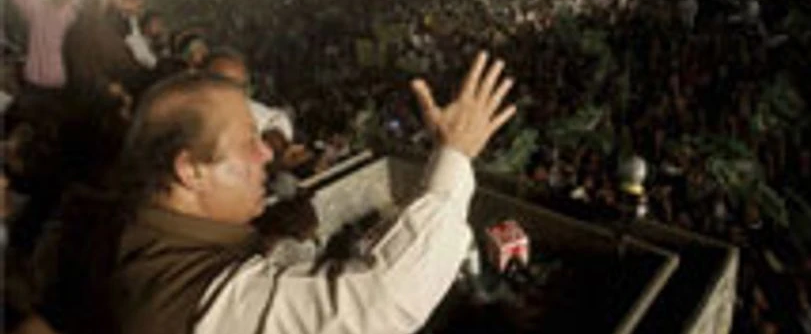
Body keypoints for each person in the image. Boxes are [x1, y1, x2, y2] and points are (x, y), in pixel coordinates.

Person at [107, 51, 514, 334]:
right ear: (191, 170)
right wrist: (454, 153)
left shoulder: (145, 238)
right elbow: (376, 302)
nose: (267, 153)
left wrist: (273, 235)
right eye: (249, 141)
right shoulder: (185, 296)